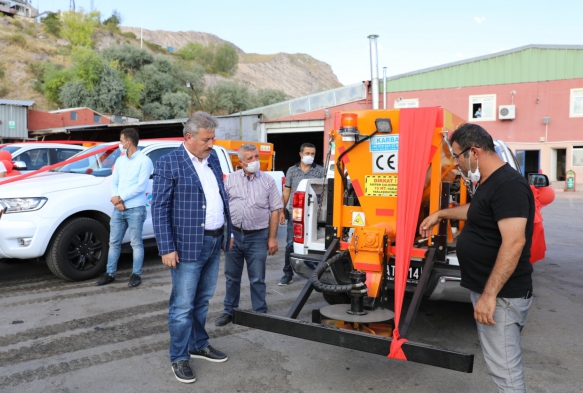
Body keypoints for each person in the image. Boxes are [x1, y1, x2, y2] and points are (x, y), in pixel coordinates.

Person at [419, 123, 534, 392]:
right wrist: (442, 214)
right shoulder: (491, 182)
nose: (457, 164)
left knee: (504, 369)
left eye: (458, 156)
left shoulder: (508, 186)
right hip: (490, 290)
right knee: (500, 364)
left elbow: (514, 242)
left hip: (502, 296)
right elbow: (479, 210)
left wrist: (489, 295)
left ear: (474, 151)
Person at [151, 111, 233, 384]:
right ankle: (179, 356)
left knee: (202, 300)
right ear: (189, 137)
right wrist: (166, 247)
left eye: (213, 138)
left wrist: (226, 232)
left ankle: (199, 344)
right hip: (185, 247)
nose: (211, 144)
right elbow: (159, 208)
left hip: (213, 240)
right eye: (206, 139)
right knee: (182, 305)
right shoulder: (169, 163)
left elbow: (220, 198)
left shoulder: (212, 162)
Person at [215, 144, 283, 327]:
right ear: (241, 161)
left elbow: (276, 210)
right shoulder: (230, 180)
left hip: (258, 236)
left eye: (256, 156)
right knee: (231, 277)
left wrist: (272, 237)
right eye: (250, 158)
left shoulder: (267, 181)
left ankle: (260, 313)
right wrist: (224, 235)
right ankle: (229, 311)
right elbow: (222, 208)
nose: (255, 161)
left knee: (257, 277)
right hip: (234, 235)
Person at [96, 128, 153, 288]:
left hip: (136, 208)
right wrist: (116, 200)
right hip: (119, 208)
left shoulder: (144, 161)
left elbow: (140, 187)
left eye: (121, 141)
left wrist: (120, 198)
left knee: (136, 243)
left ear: (128, 142)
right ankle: (109, 274)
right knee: (114, 242)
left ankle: (136, 275)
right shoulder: (120, 161)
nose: (120, 144)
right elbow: (114, 182)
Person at [278, 143, 324, 286]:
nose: (310, 156)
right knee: (290, 245)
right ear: (300, 154)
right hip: (295, 215)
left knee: (314, 246)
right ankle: (287, 274)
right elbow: (286, 191)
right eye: (307, 153)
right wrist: (281, 210)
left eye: (313, 154)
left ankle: (314, 274)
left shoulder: (320, 171)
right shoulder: (292, 170)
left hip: (313, 217)